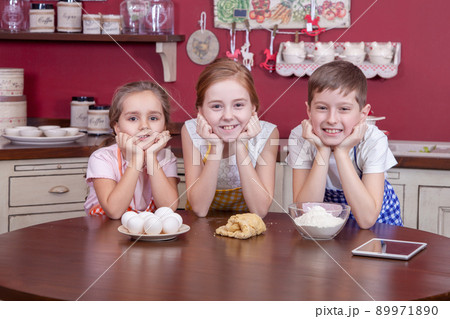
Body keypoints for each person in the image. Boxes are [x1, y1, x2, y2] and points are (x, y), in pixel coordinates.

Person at [286, 60, 402, 229]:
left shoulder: (374, 140)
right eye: (322, 108)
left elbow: (367, 219)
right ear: (309, 110)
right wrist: (322, 150)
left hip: (377, 227)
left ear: (363, 114)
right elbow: (305, 214)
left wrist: (341, 153)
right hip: (327, 228)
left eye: (344, 109)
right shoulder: (300, 136)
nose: (332, 119)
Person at [182, 58, 279, 218]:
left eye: (238, 105)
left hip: (247, 227)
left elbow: (260, 210)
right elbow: (199, 208)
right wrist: (216, 147)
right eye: (216, 106)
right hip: (200, 228)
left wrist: (240, 146)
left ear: (253, 107)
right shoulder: (191, 131)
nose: (227, 116)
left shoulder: (267, 133)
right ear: (200, 111)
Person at [84, 81, 179, 219]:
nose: (144, 126)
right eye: (133, 118)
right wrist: (137, 158)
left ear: (164, 127)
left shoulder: (166, 158)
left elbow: (168, 209)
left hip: (147, 236)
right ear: (117, 127)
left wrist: (151, 157)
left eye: (153, 118)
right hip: (108, 235)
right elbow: (114, 212)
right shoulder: (102, 158)